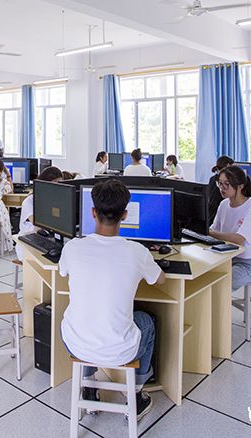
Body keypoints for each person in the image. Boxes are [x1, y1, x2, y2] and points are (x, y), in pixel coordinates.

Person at [60, 179, 163, 420]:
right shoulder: (137, 252)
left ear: (92, 212)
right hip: (122, 351)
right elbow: (160, 280)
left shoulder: (72, 247)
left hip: (75, 345)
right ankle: (136, 394)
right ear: (125, 215)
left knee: (84, 315)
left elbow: (62, 271)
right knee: (147, 321)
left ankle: (89, 387)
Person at [209, 165, 251, 290]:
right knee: (204, 278)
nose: (222, 188)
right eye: (220, 183)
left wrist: (210, 233)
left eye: (226, 184)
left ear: (240, 186)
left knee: (221, 284)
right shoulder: (224, 204)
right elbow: (213, 228)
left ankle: (219, 303)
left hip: (249, 264)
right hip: (226, 257)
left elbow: (239, 239)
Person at [18, 166, 63, 235]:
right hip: (28, 235)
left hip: (48, 234)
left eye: (60, 184)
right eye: (54, 183)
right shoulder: (29, 201)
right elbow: (38, 225)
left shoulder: (56, 199)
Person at [207, 156, 235, 225]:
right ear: (228, 165)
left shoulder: (212, 179)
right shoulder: (228, 181)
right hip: (219, 216)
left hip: (210, 216)